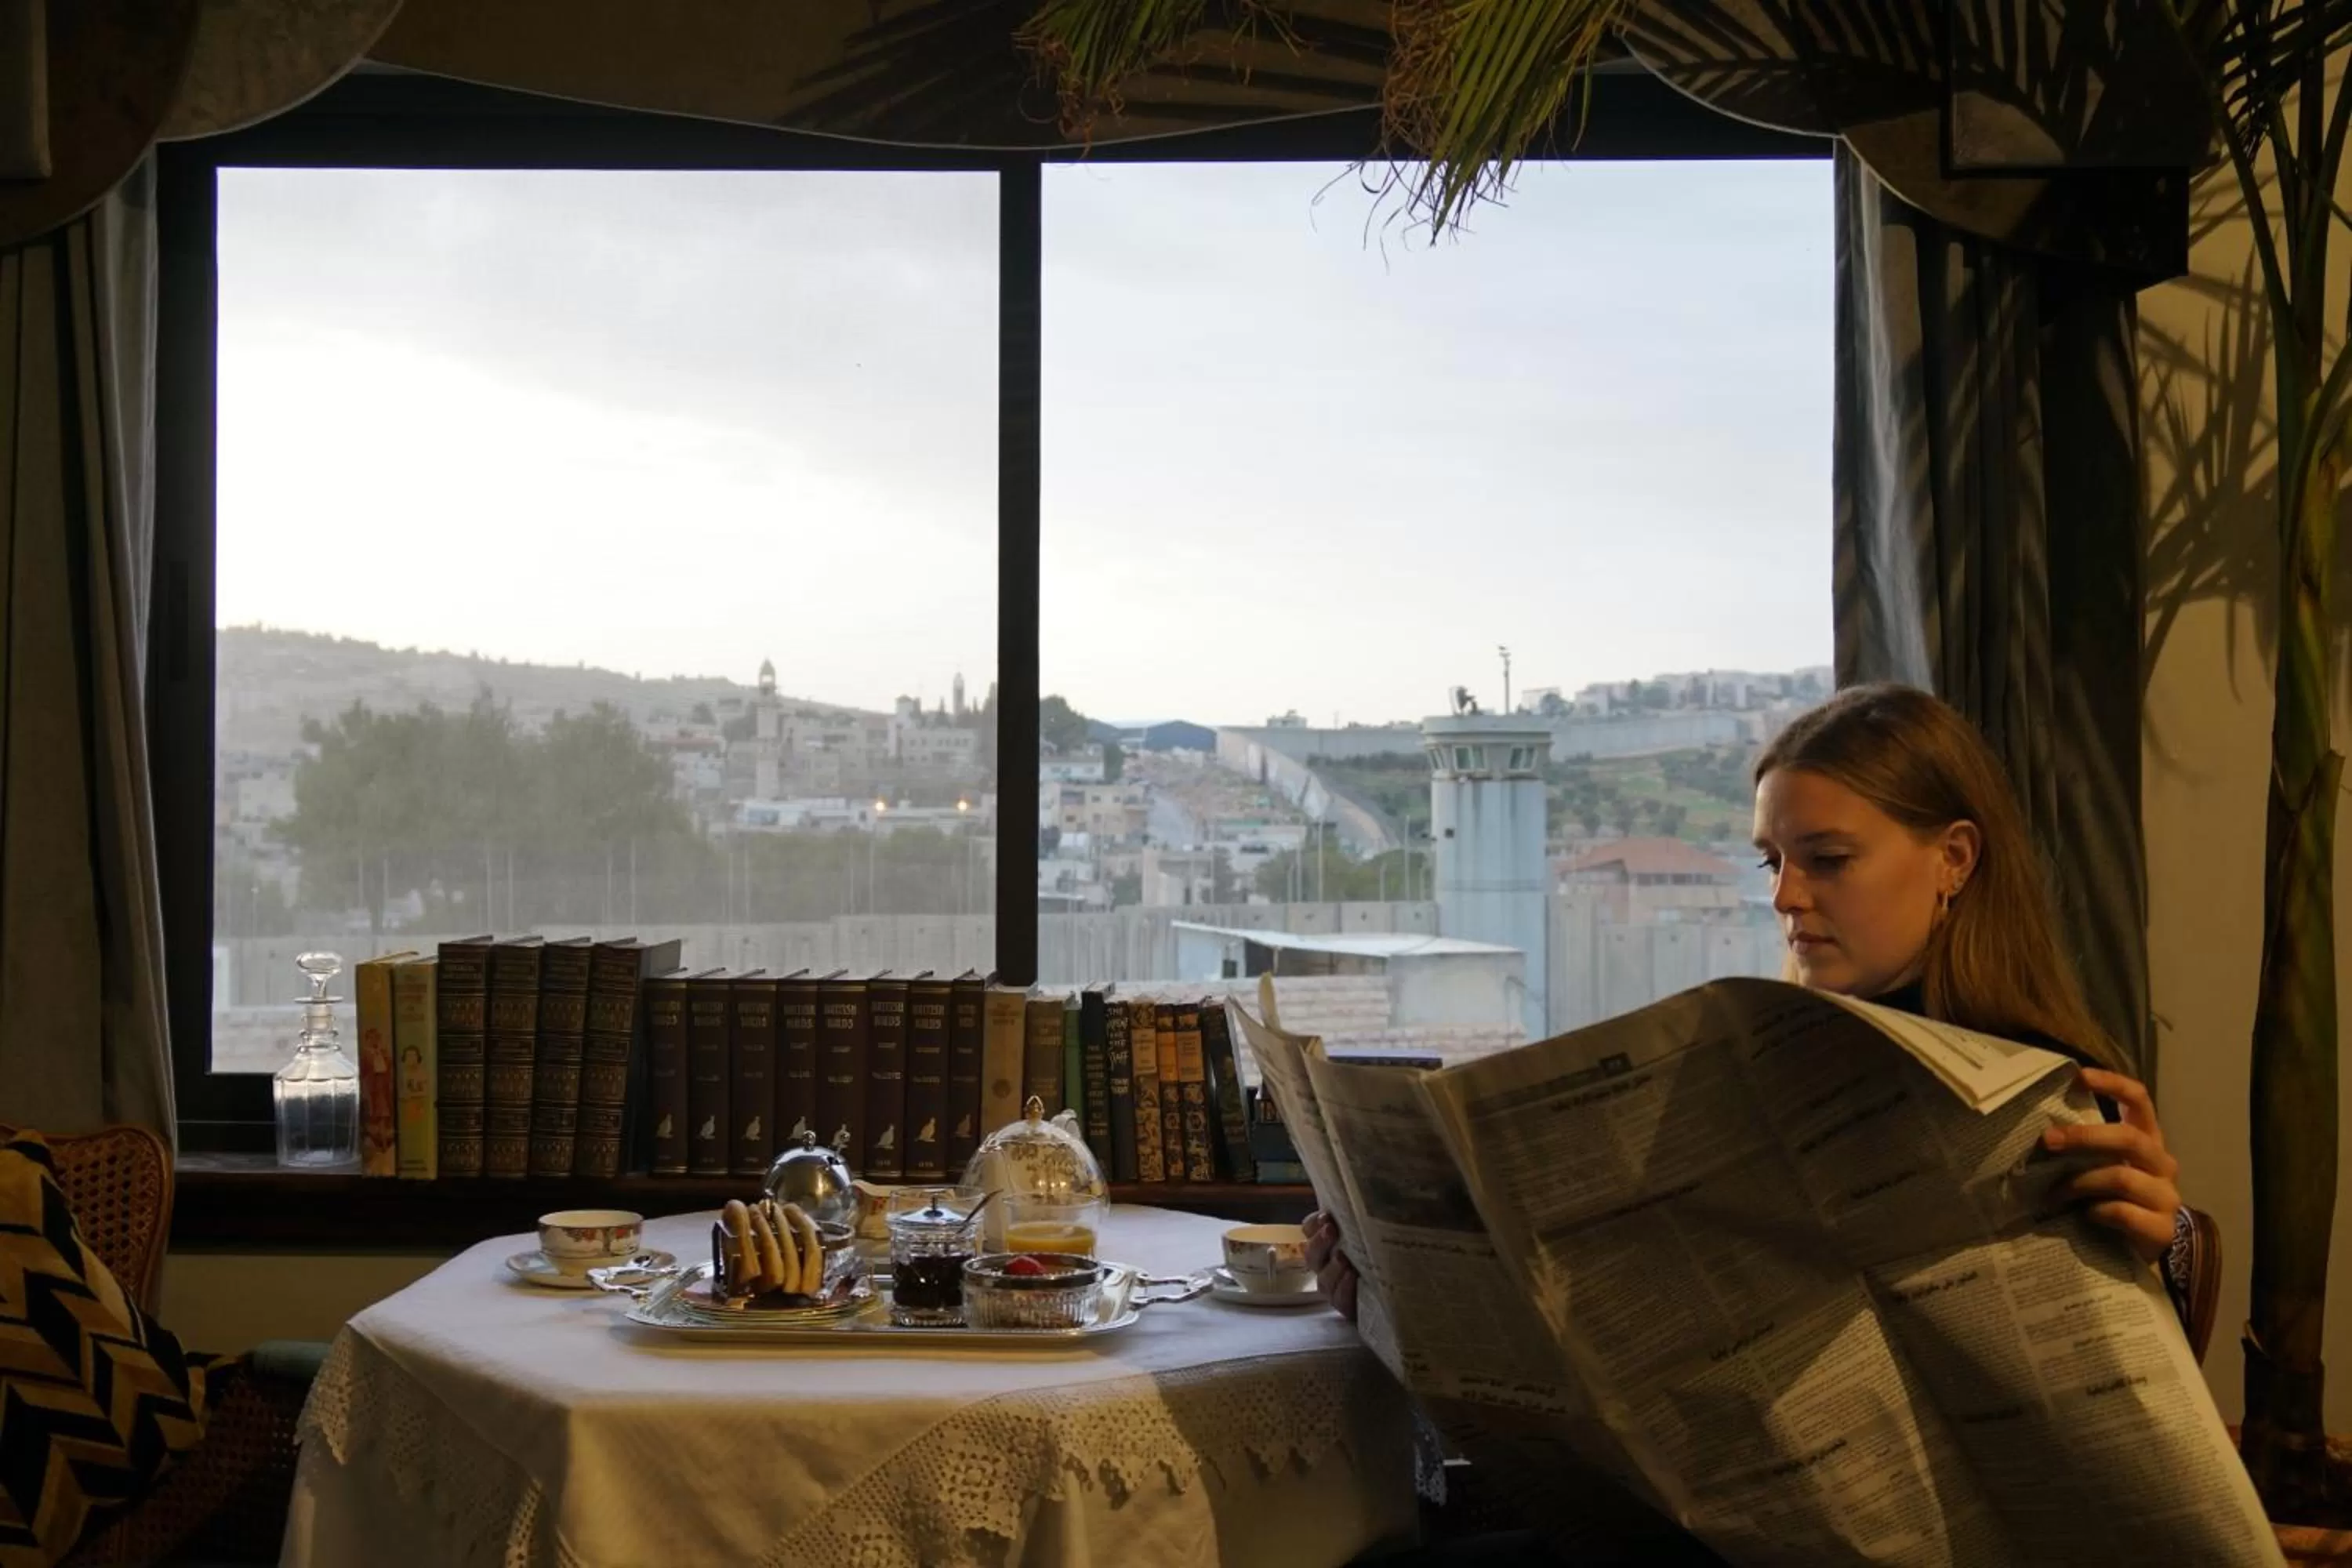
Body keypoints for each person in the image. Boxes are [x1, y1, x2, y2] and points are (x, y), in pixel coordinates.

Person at [1311, 683, 2186, 1555]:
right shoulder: (1746, 1063)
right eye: (1773, 861)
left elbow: (2110, 1422)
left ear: (1954, 858)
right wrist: (1395, 1302)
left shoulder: (2042, 1087)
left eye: (1828, 858)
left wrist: (2159, 1249)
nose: (1785, 897)